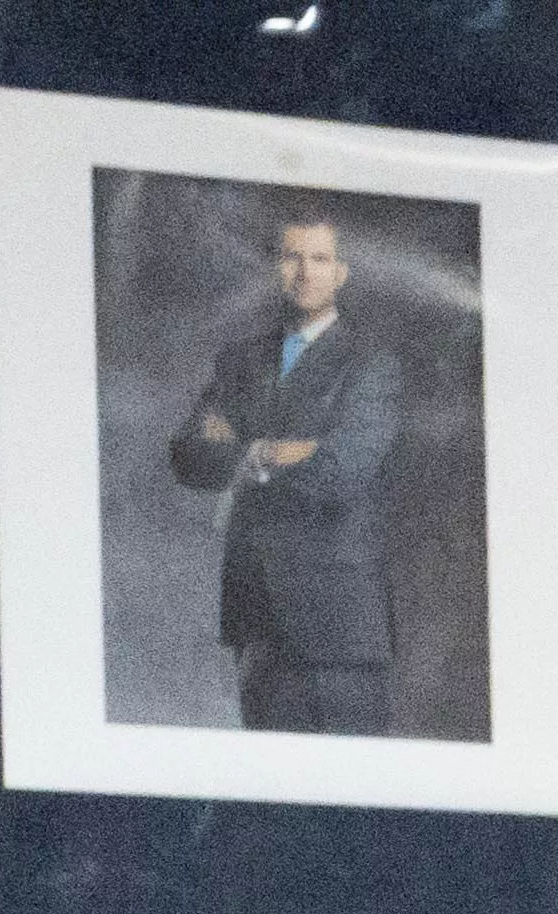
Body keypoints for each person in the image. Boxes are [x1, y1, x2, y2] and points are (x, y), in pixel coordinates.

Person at [165, 206, 402, 734]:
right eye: (292, 256)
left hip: (339, 626)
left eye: (320, 259)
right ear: (275, 266)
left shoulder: (370, 362)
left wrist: (242, 449)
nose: (305, 272)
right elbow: (187, 455)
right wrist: (274, 450)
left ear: (341, 272)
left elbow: (342, 470)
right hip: (257, 620)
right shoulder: (241, 360)